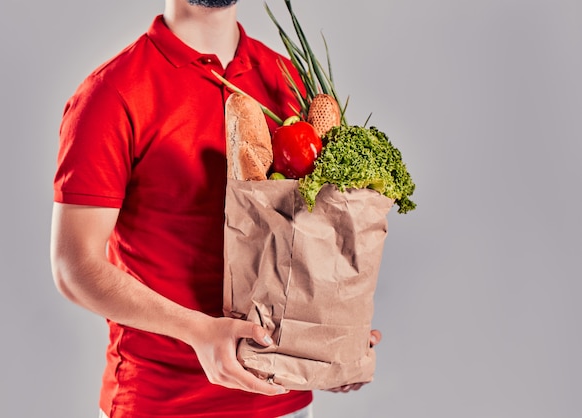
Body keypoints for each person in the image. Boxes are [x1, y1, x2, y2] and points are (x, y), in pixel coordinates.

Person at [50, 1, 382, 417]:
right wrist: (200, 332)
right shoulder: (111, 93)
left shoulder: (286, 78)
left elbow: (311, 232)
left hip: (283, 401)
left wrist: (329, 337)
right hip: (160, 404)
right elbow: (73, 265)